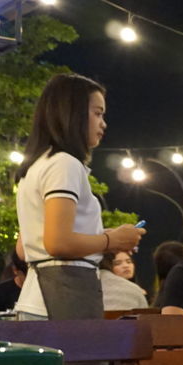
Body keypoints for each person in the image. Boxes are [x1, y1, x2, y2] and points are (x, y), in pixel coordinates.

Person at [13, 73, 145, 320]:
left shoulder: (38, 165)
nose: (103, 123)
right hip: (63, 298)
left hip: (37, 300)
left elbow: (23, 248)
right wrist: (111, 240)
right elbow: (58, 243)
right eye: (97, 113)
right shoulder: (65, 164)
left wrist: (104, 237)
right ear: (71, 114)